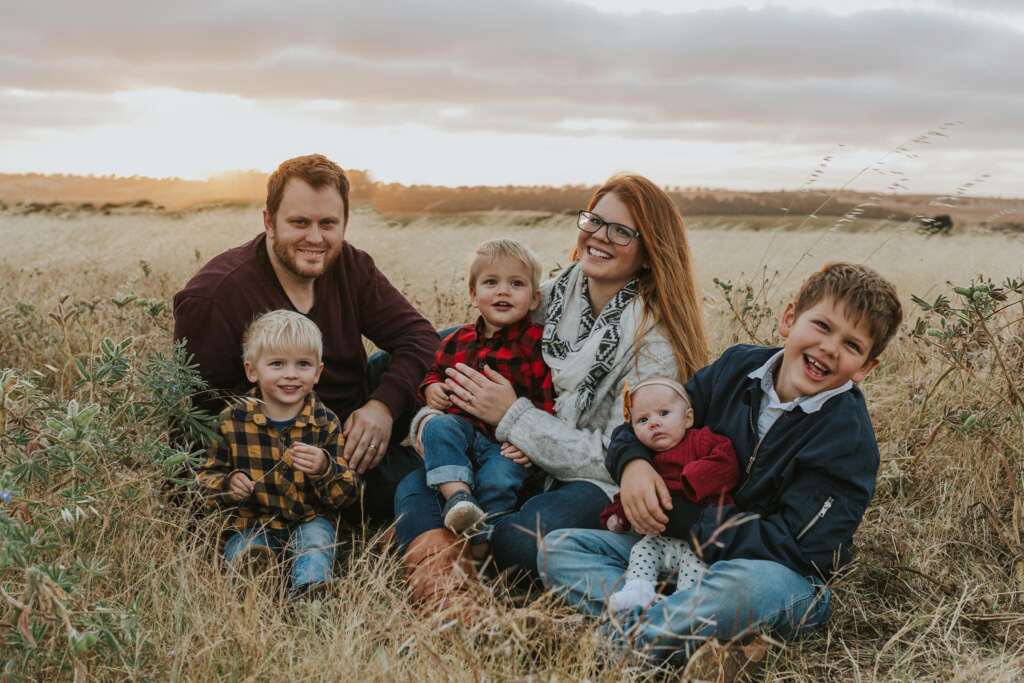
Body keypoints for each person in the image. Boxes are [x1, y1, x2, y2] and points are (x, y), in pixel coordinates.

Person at [540, 262, 903, 669]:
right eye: (821, 326)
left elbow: (800, 549)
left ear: (866, 368)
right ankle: (693, 634)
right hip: (678, 552)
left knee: (747, 589)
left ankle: (619, 641)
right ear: (789, 319)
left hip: (774, 575)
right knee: (560, 549)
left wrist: (693, 523)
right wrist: (634, 465)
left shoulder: (847, 440)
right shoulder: (737, 368)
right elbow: (652, 418)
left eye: (852, 346)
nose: (830, 348)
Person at [394, 174, 709, 609]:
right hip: (520, 458)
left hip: (596, 480)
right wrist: (432, 413)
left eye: (621, 231)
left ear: (649, 252)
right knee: (422, 473)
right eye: (594, 221)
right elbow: (462, 351)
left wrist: (514, 418)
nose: (599, 237)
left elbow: (619, 452)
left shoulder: (652, 344)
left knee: (520, 540)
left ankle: (646, 598)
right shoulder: (553, 297)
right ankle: (443, 586)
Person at [173, 154, 437, 522]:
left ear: (345, 223)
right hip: (290, 452)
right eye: (299, 222)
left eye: (328, 223)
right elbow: (199, 420)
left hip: (352, 415)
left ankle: (480, 450)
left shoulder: (351, 265)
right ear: (269, 220)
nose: (315, 238)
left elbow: (419, 336)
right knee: (424, 483)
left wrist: (383, 407)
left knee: (454, 343)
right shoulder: (215, 298)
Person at [195, 310, 359, 598]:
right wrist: (228, 485)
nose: (291, 374)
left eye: (303, 364)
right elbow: (206, 477)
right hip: (252, 519)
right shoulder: (231, 420)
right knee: (243, 547)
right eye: (277, 364)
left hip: (309, 517)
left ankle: (311, 593)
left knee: (316, 542)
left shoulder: (325, 422)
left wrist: (324, 468)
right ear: (252, 370)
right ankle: (253, 588)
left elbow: (346, 495)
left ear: (318, 372)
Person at [412, 239, 554, 536]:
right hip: (461, 430)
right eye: (491, 282)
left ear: (535, 299)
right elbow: (436, 372)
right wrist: (432, 388)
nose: (503, 291)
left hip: (505, 443)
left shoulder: (536, 344)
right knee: (437, 428)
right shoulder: (458, 340)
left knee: (499, 478)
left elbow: (548, 399)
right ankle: (457, 498)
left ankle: (481, 537)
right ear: (474, 295)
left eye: (516, 283)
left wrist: (530, 441)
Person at [598, 378, 738, 613]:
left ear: (688, 418)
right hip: (659, 539)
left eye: (663, 413)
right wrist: (618, 516)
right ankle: (638, 590)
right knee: (640, 551)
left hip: (699, 540)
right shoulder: (646, 459)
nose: (654, 423)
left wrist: (692, 480)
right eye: (643, 420)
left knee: (694, 565)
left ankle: (682, 605)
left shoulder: (701, 441)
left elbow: (727, 465)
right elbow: (630, 496)